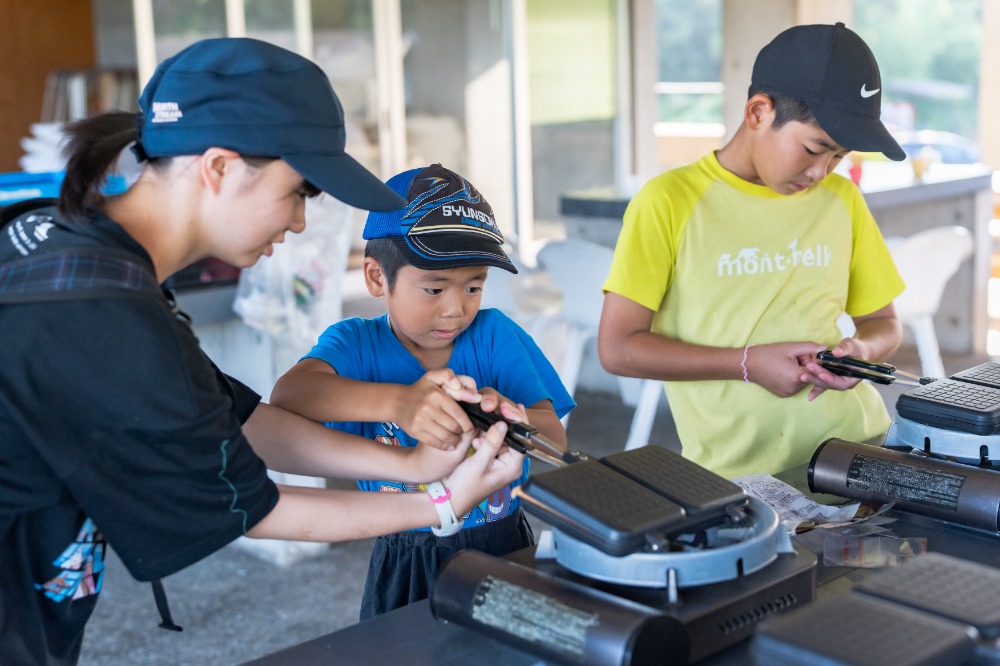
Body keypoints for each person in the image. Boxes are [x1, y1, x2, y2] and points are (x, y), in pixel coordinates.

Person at [0, 38, 525, 666]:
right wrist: (438, 506)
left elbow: (238, 421)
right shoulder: (99, 312)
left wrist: (418, 467)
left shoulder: (75, 249)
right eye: (299, 191)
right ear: (219, 167)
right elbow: (250, 506)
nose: (301, 221)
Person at [598, 23, 907, 480]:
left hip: (858, 450)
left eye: (838, 156)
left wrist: (860, 352)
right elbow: (618, 348)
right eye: (814, 148)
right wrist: (745, 364)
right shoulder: (669, 201)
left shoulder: (843, 201)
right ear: (759, 112)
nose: (822, 171)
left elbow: (884, 324)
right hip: (739, 477)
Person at [270, 163, 574, 619]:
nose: (456, 309)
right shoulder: (355, 344)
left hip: (503, 542)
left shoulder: (495, 335)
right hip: (407, 551)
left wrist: (515, 419)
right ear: (377, 278)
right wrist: (399, 402)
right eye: (434, 288)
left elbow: (556, 438)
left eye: (474, 286)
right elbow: (290, 396)